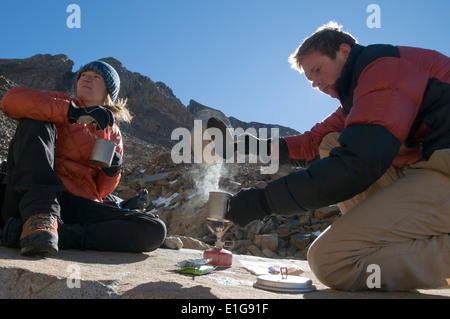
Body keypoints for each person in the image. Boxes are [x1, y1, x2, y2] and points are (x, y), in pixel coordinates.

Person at [224, 22, 450, 291]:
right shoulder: (359, 95)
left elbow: (358, 162)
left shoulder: (385, 70)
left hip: (441, 170)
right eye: (310, 79)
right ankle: (393, 249)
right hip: (426, 169)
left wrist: (262, 202)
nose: (315, 83)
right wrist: (244, 145)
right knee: (331, 142)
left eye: (317, 70)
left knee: (331, 261)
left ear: (344, 51)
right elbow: (312, 143)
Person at [0, 60, 166, 257]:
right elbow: (10, 101)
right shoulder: (60, 102)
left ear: (108, 92)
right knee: (35, 118)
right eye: (84, 74)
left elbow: (102, 190)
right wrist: (73, 113)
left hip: (81, 205)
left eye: (96, 77)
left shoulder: (113, 132)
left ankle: (56, 235)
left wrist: (112, 171)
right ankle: (39, 219)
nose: (87, 78)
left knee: (154, 228)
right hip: (37, 198)